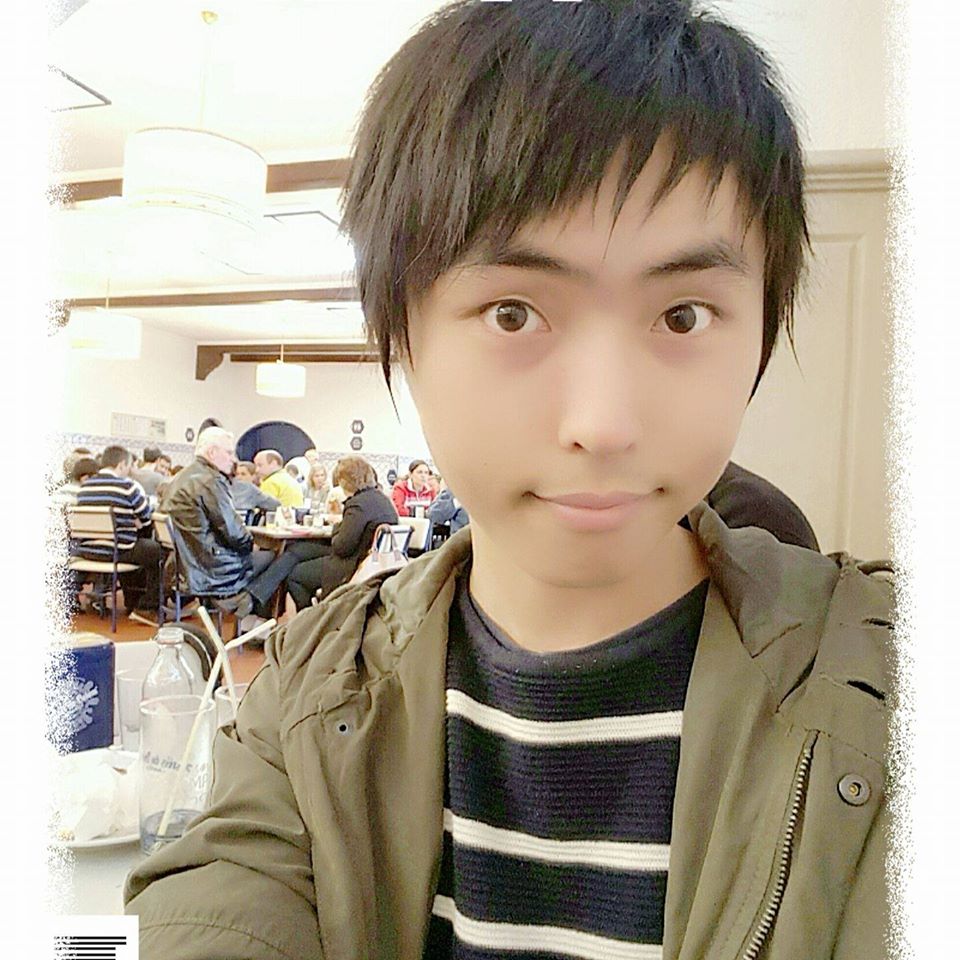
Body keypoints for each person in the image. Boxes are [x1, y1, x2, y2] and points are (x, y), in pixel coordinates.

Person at [126, 3, 894, 958]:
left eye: (684, 316)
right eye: (514, 313)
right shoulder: (303, 697)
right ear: (401, 334)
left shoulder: (891, 686)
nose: (602, 425)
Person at [159, 428, 273, 606]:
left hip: (181, 566)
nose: (233, 459)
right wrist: (251, 544)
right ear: (212, 452)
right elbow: (233, 532)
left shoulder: (180, 477)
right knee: (272, 556)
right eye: (229, 452)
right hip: (211, 568)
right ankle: (245, 606)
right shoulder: (211, 480)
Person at [285, 456, 399, 609]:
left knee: (296, 575)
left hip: (352, 567)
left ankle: (312, 617)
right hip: (376, 563)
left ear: (344, 481)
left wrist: (337, 526)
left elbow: (342, 547)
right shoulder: (382, 499)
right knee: (298, 551)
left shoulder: (357, 505)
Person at [75, 444, 162, 625]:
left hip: (89, 551)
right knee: (156, 551)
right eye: (129, 466)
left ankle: (133, 601)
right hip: (117, 551)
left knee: (137, 548)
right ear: (121, 464)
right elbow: (146, 517)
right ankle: (146, 607)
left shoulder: (84, 488)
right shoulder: (127, 487)